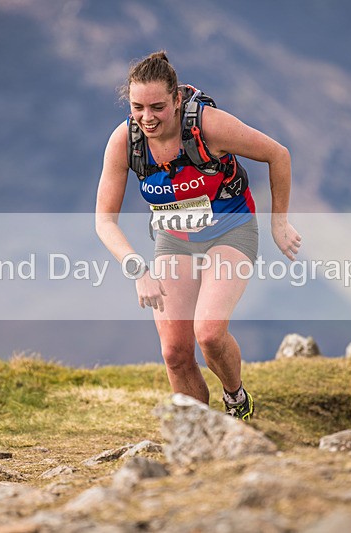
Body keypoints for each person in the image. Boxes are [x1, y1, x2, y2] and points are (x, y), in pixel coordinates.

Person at [95, 51, 301, 420]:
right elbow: (104, 221)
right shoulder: (125, 141)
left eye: (157, 106)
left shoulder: (209, 126)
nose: (147, 117)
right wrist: (138, 269)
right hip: (174, 241)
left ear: (177, 100)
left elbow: (278, 154)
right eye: (138, 107)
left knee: (208, 333)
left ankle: (236, 400)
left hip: (231, 232)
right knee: (174, 352)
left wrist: (279, 222)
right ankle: (198, 432)